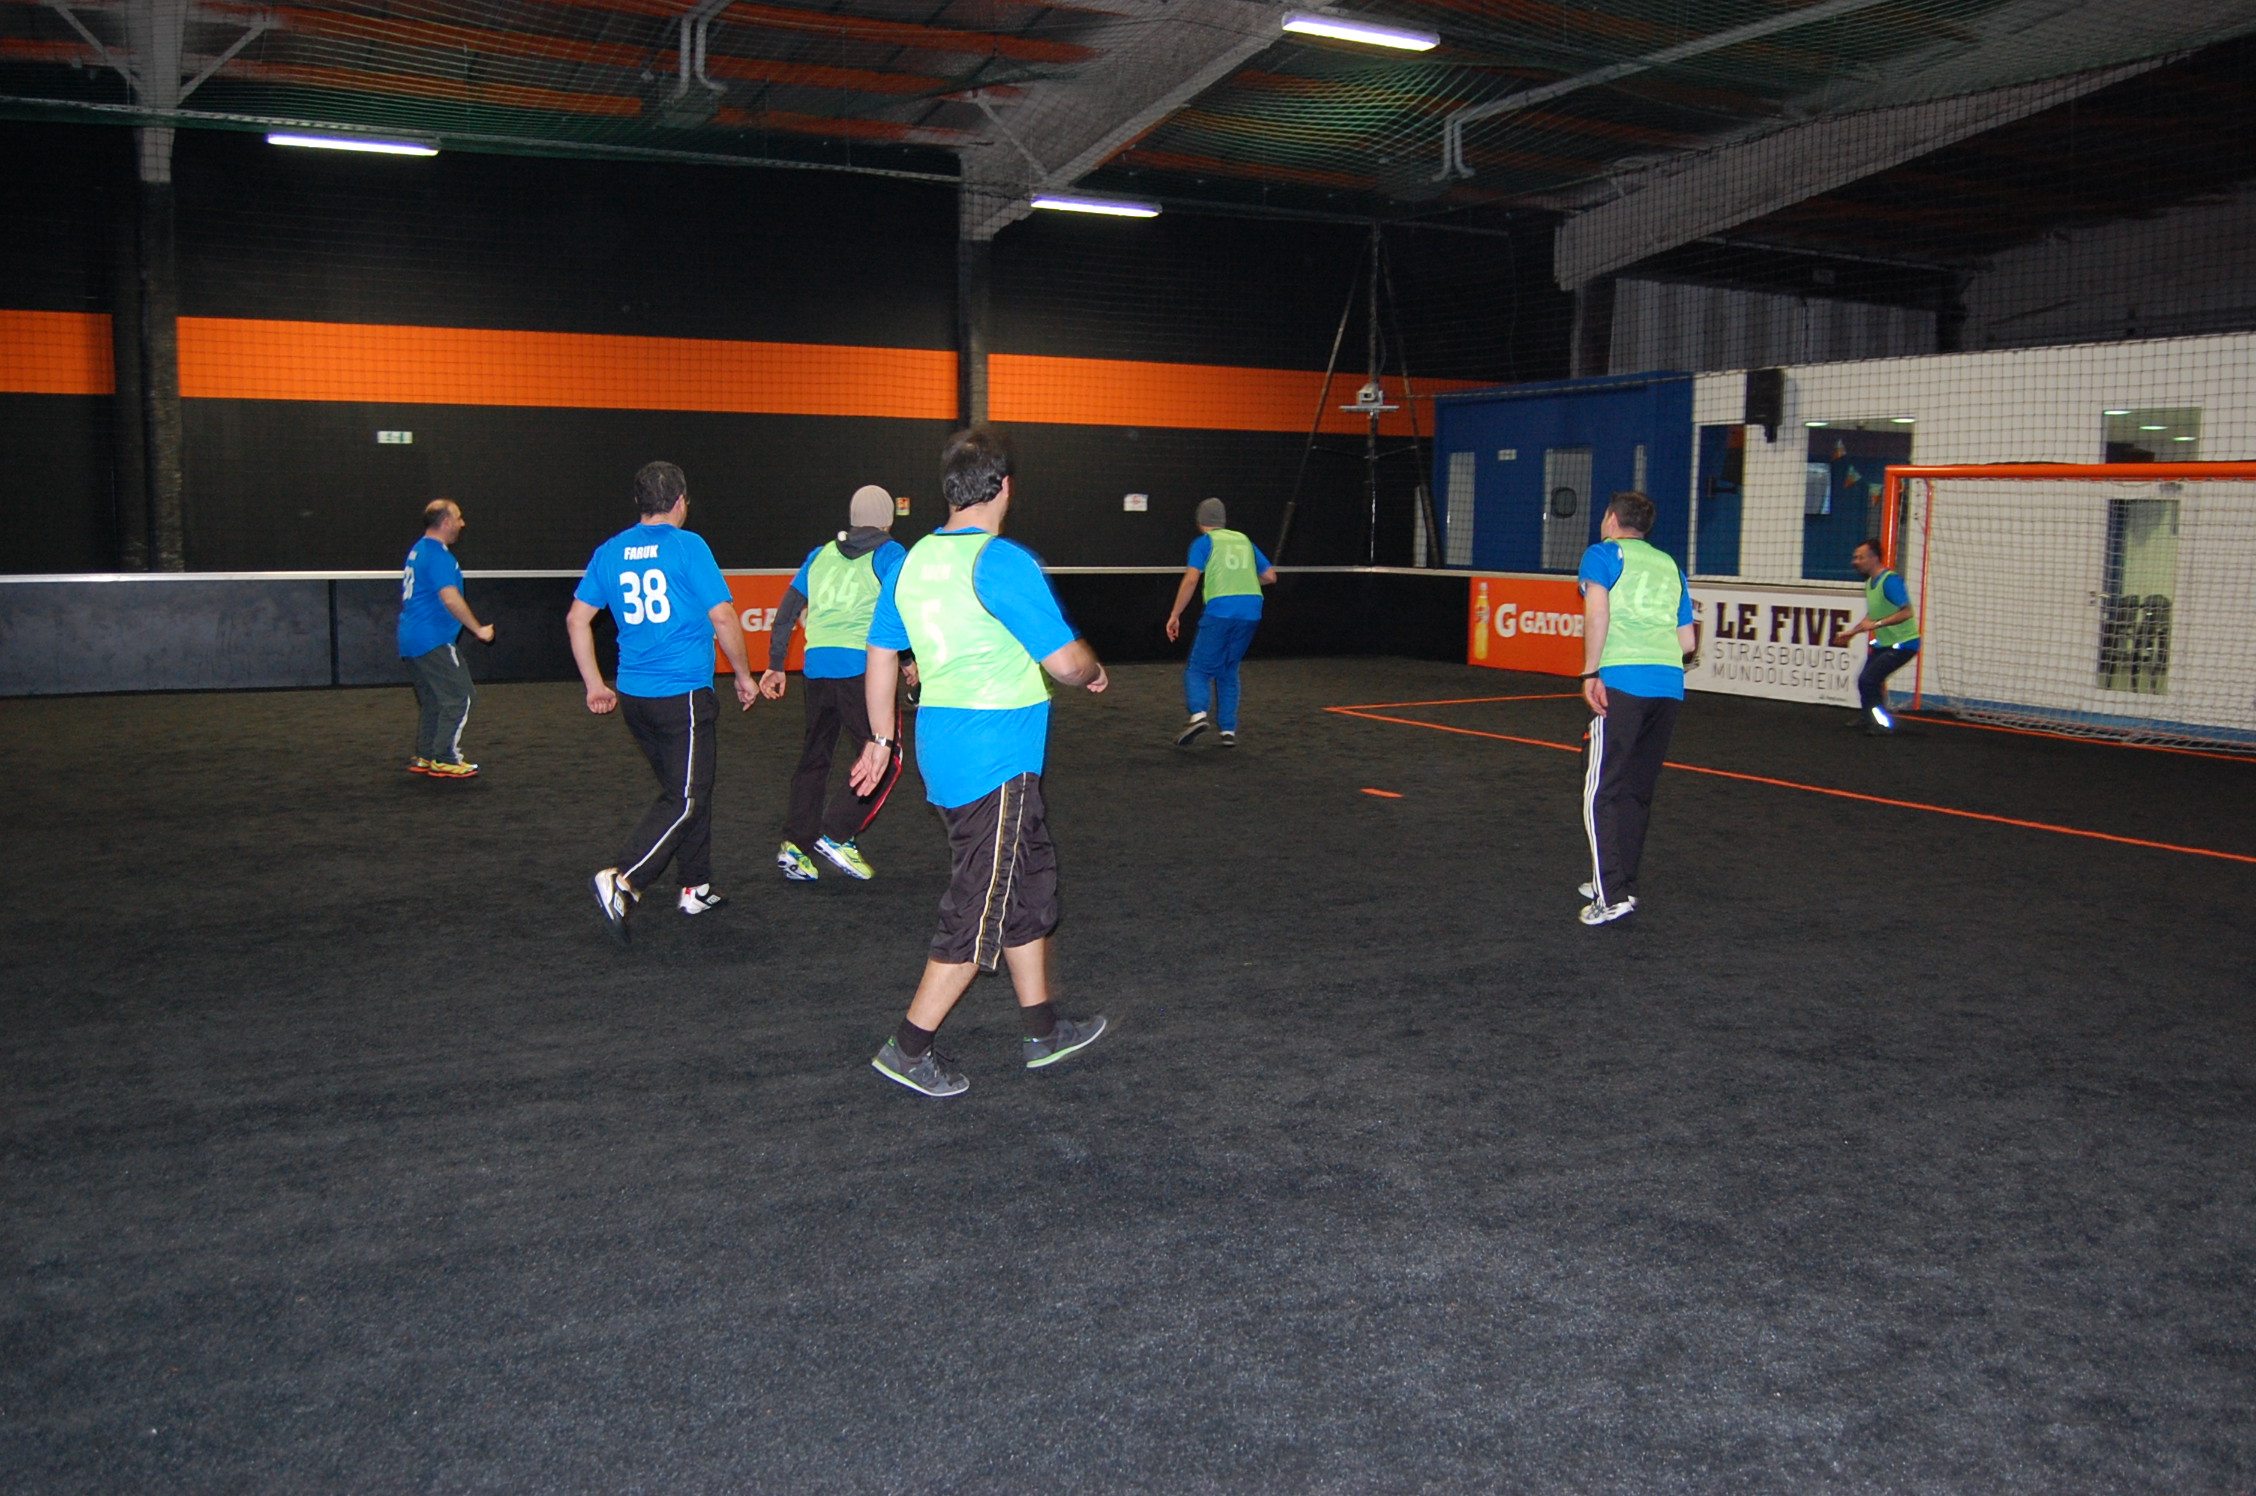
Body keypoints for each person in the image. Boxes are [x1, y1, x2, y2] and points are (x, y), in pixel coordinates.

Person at [850, 427, 1110, 1098]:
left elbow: (881, 653)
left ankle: (1043, 1030)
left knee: (1026, 886)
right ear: (1003, 488)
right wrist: (1092, 669)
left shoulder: (910, 562)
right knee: (979, 904)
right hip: (996, 761)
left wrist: (881, 739)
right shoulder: (1001, 562)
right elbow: (1064, 662)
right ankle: (908, 1047)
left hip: (949, 750)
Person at [566, 461, 758, 945]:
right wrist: (742, 673)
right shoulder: (688, 546)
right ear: (680, 502)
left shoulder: (609, 551)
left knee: (689, 789)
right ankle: (624, 878)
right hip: (683, 697)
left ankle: (696, 885)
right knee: (686, 796)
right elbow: (724, 615)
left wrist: (594, 684)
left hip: (634, 698)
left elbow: (576, 619)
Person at [760, 484, 913, 883]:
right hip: (862, 669)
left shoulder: (820, 553)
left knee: (815, 756)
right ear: (887, 519)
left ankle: (795, 846)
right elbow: (902, 609)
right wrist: (912, 659)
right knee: (886, 752)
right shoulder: (891, 553)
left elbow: (787, 610)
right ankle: (838, 833)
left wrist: (776, 664)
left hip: (817, 668)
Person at [1576, 491, 1698, 928]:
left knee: (1601, 790)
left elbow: (1597, 614)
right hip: (1668, 685)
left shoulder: (1602, 554)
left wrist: (1591, 671)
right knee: (1636, 790)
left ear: (1611, 519)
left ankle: (1611, 896)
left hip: (1623, 682)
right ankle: (1617, 879)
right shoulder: (1671, 566)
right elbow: (1688, 643)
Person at [1165, 497, 1277, 747]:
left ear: (1200, 521)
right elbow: (1270, 576)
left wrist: (1175, 614)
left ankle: (1198, 715)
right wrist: (1243, 584)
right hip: (1251, 610)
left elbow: (1192, 580)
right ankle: (1228, 730)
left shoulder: (1203, 543)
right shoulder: (1244, 540)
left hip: (1221, 610)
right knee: (1228, 668)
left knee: (1198, 669)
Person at [398, 498, 496, 780]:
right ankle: (445, 757)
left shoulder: (418, 551)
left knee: (434, 701)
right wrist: (478, 629)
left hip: (411, 640)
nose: (462, 524)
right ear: (445, 523)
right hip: (433, 640)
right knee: (460, 697)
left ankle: (427, 755)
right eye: (458, 518)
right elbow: (451, 599)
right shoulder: (439, 556)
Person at [1844, 538, 1920, 734]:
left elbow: (1906, 612)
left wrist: (1877, 624)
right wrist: (1851, 633)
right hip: (1885, 644)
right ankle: (1868, 717)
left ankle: (1882, 724)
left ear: (1874, 558)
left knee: (1869, 680)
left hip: (1903, 644)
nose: (1856, 561)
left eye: (1860, 557)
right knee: (1864, 680)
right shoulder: (1870, 583)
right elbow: (1873, 615)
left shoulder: (1891, 582)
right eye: (1855, 557)